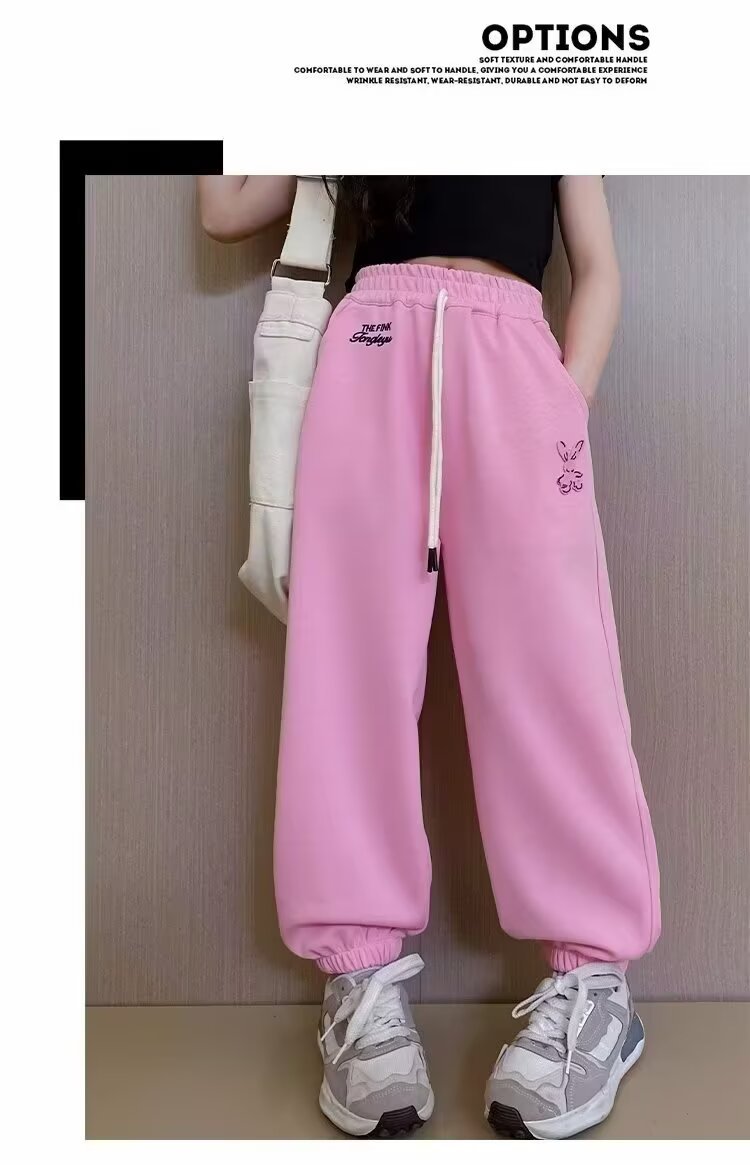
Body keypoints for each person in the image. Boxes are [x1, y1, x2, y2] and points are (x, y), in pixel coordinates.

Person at [198, 175, 661, 1140]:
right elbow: (226, 208)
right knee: (346, 680)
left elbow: (599, 268)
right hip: (370, 351)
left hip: (517, 364)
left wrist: (562, 401)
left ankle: (594, 984)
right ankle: (360, 982)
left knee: (554, 680)